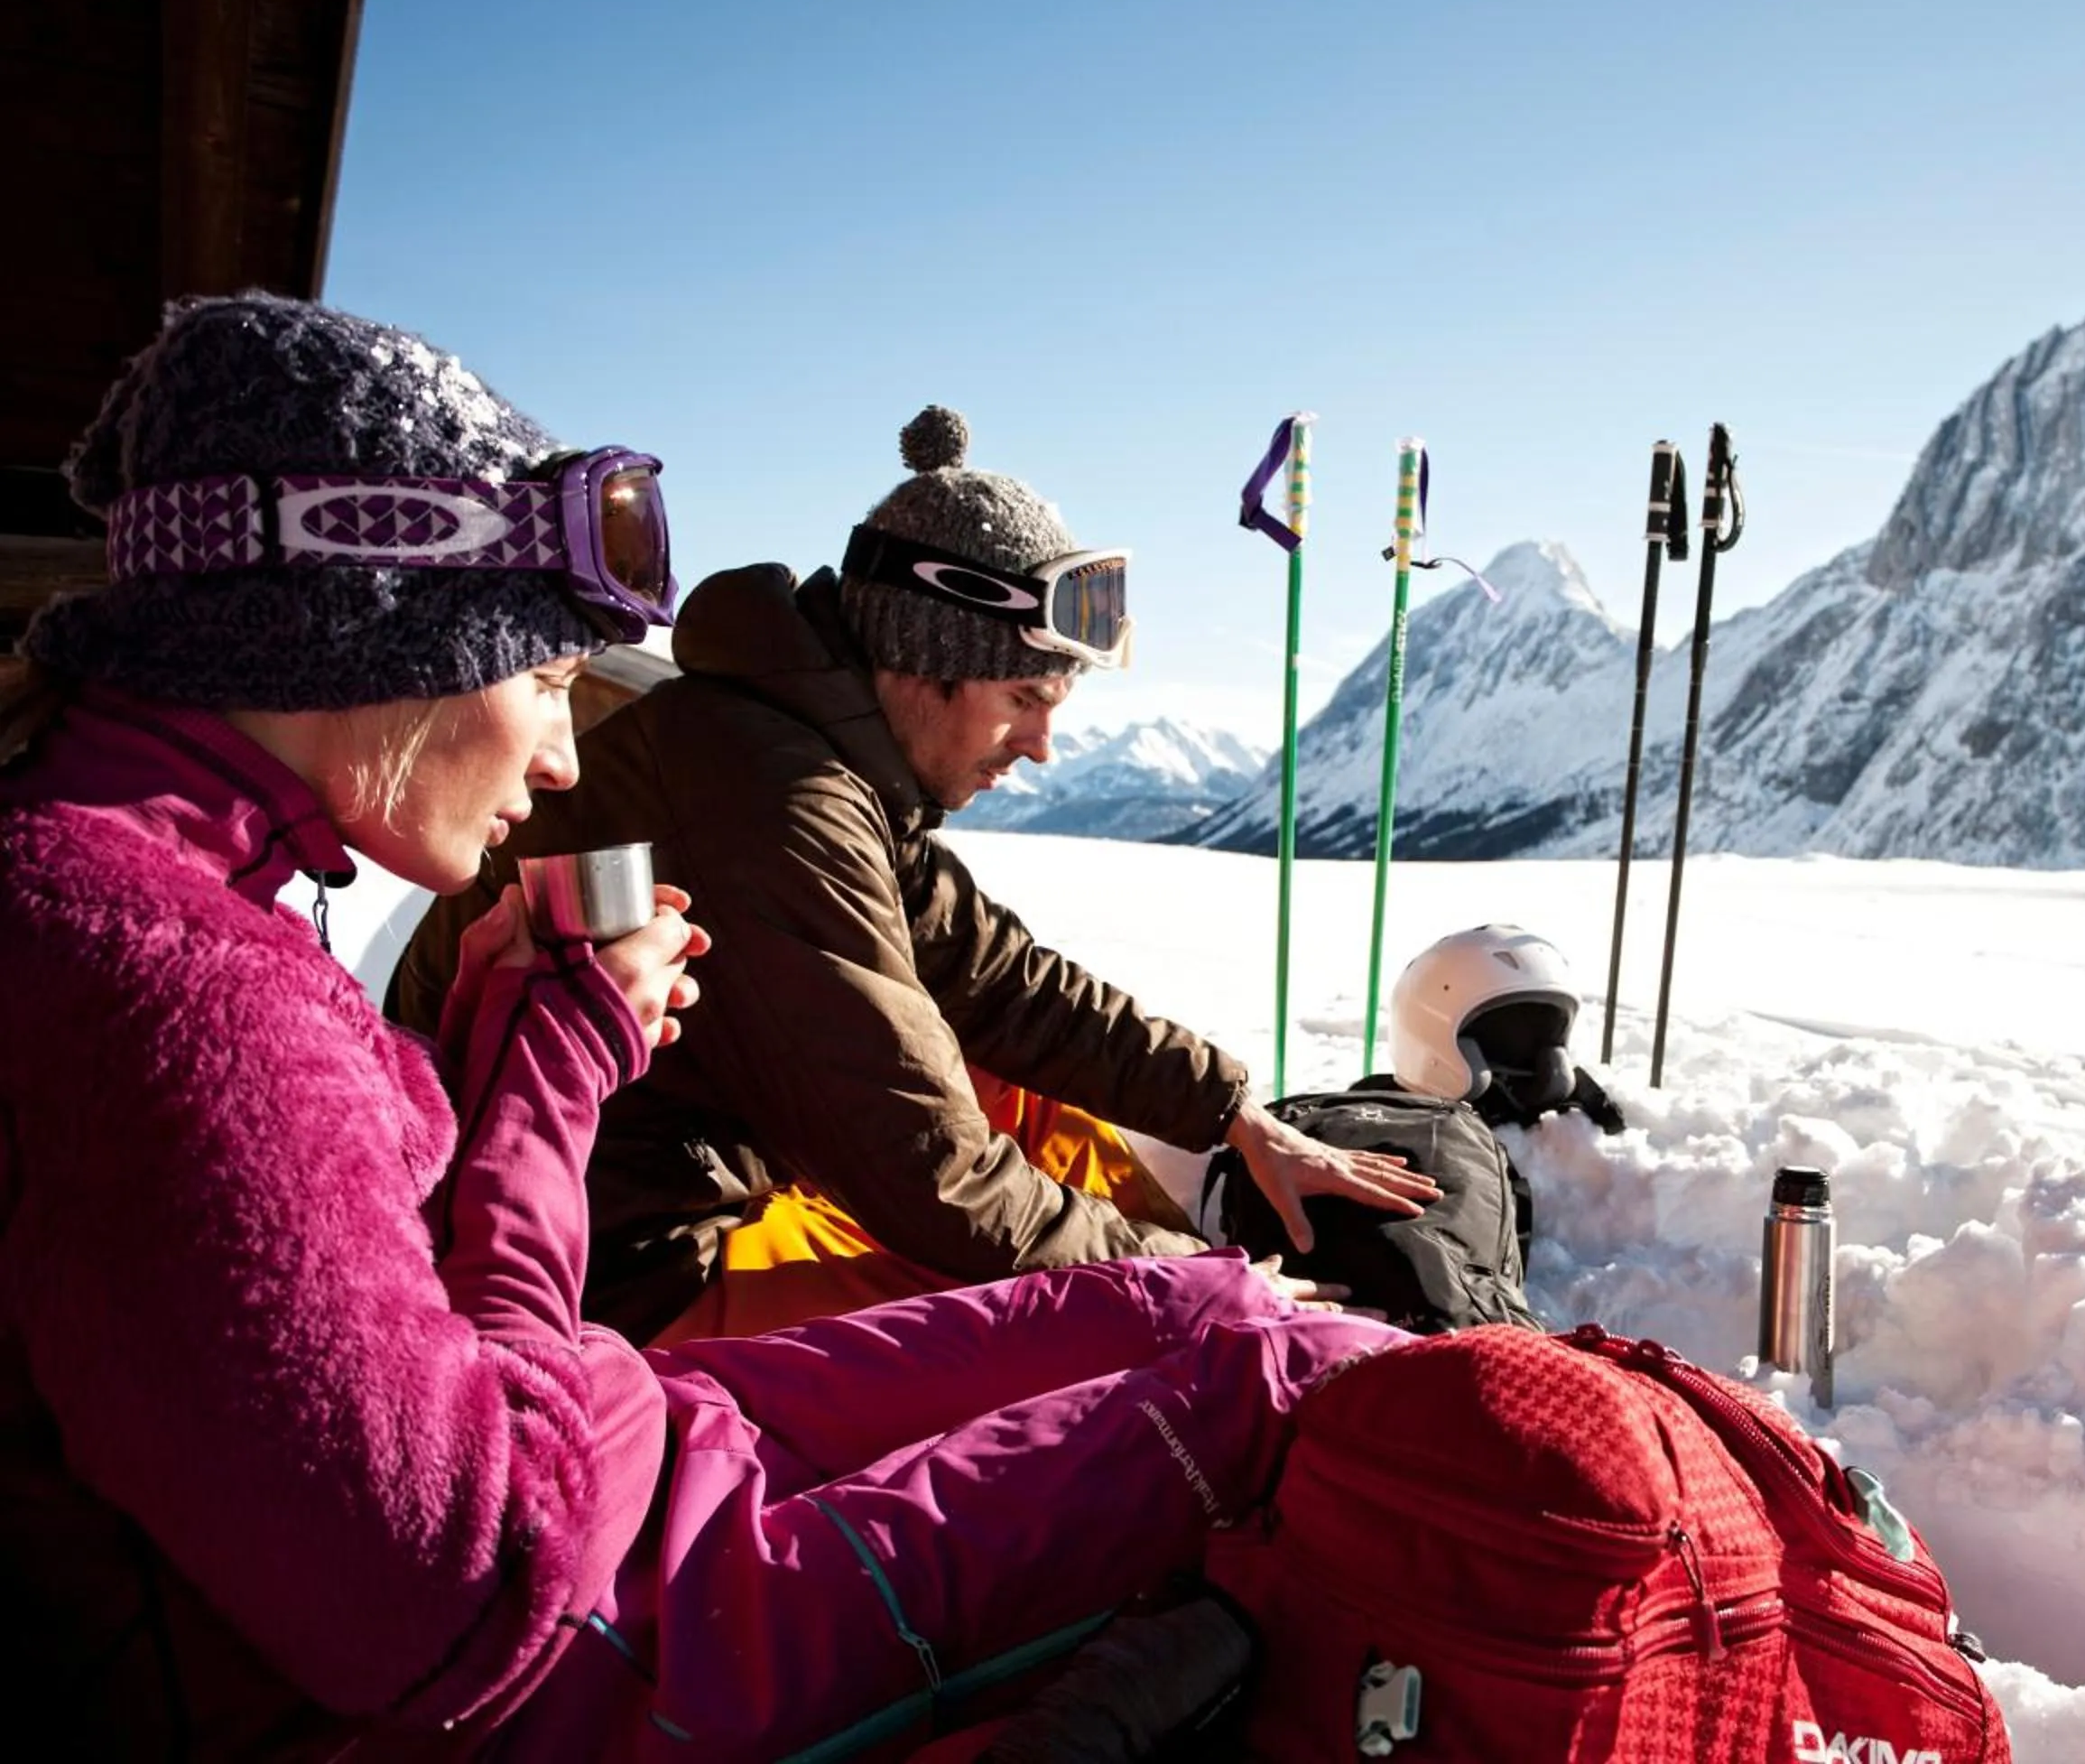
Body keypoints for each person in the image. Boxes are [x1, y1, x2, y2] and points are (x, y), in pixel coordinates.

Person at [0, 293, 1399, 1757]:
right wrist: (547, 1074)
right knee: (1252, 1392)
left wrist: (1227, 1108)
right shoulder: (187, 998)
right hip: (597, 1465)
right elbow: (470, 1591)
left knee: (1201, 1314)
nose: (561, 758)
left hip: (592, 1414)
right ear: (367, 638)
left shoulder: (148, 896)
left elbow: (992, 972)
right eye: (549, 678)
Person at [391, 404, 1439, 1342]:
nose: (1041, 746)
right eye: (1023, 698)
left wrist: (1232, 1108)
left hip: (689, 1176)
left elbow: (1001, 979)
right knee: (1064, 1341)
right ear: (925, 659)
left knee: (1021, 1095)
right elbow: (927, 1169)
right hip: (621, 1268)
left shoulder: (812, 749)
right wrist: (1190, 1284)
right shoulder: (780, 797)